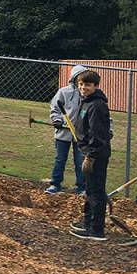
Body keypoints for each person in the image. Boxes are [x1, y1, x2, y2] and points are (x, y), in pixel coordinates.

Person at [69, 70, 113, 241]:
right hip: (86, 151)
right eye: (80, 84)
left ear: (95, 86)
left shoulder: (97, 105)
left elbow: (97, 134)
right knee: (89, 190)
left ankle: (96, 230)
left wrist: (91, 156)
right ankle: (87, 223)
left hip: (96, 155)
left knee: (96, 192)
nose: (83, 87)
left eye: (87, 85)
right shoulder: (85, 101)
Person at [45, 65, 89, 194]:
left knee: (80, 160)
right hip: (63, 133)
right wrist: (57, 120)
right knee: (60, 159)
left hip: (81, 135)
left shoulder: (87, 94)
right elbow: (55, 108)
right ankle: (55, 184)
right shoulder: (64, 92)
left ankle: (82, 187)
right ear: (74, 78)